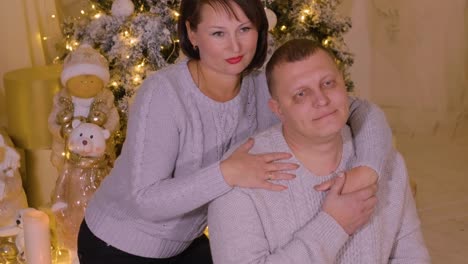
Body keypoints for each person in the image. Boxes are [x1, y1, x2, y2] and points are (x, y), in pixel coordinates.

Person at [77, 1, 392, 263]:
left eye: (245, 29)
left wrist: (369, 169)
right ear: (192, 32)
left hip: (186, 243)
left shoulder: (262, 80)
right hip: (116, 245)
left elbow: (359, 110)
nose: (235, 46)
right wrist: (227, 173)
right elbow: (146, 201)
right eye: (218, 33)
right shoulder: (162, 94)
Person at [208, 39, 430, 264]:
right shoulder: (240, 178)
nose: (321, 100)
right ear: (278, 110)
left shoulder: (384, 160)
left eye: (328, 83)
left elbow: (411, 255)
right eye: (301, 94)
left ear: (344, 84)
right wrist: (333, 225)